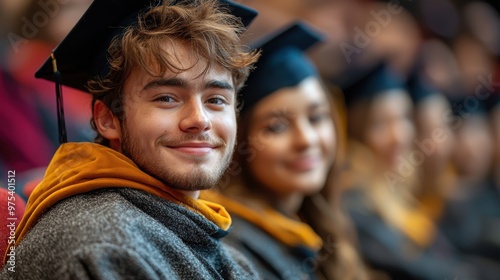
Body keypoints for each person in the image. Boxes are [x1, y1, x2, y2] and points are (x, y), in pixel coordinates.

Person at [0, 0, 260, 279]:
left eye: (216, 100)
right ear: (108, 119)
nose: (199, 119)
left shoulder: (200, 234)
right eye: (166, 98)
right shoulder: (102, 249)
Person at [202, 22, 369, 280]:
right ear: (239, 144)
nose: (306, 139)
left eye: (316, 118)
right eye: (276, 127)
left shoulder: (318, 222)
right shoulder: (232, 249)